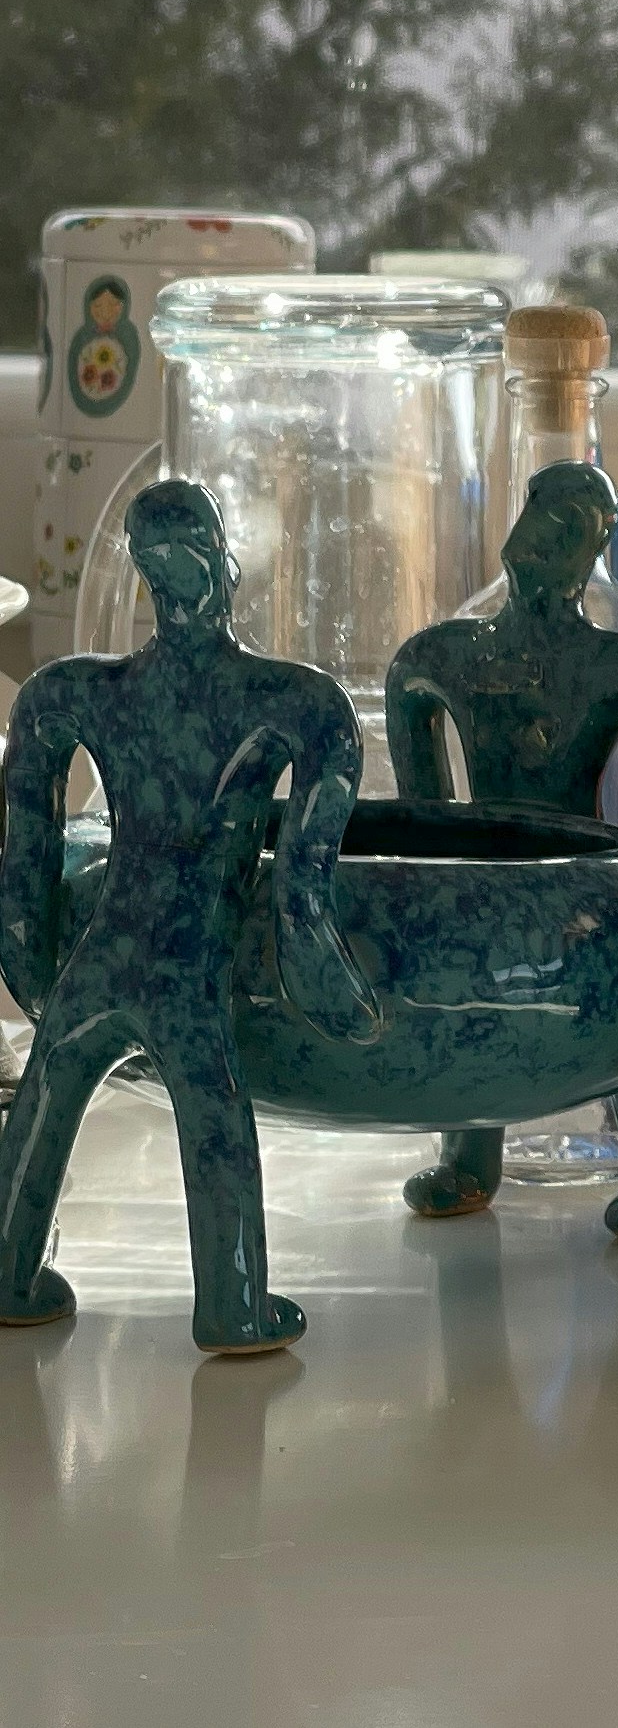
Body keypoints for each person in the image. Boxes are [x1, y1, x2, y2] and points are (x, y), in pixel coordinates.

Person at [0, 480, 379, 1354]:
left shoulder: (86, 693)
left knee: (52, 1085)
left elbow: (27, 836)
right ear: (224, 563)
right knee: (212, 1108)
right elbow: (307, 861)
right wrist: (310, 946)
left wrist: (25, 943)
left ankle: (11, 1271)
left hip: (104, 943)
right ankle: (233, 1304)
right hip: (187, 946)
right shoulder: (286, 699)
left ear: (143, 577)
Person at [384, 462, 618, 1237]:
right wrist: (435, 878)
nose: (539, 545)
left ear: (591, 555)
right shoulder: (443, 655)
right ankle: (469, 1160)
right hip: (485, 873)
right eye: (540, 518)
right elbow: (425, 817)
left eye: (570, 533)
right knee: (473, 999)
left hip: (586, 875)